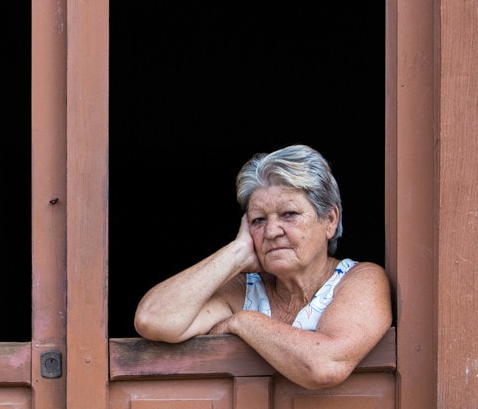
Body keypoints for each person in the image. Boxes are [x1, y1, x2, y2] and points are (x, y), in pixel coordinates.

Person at [133, 144, 392, 390]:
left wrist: (243, 322)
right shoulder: (244, 289)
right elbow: (152, 320)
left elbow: (323, 365)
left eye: (289, 214)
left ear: (329, 220)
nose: (271, 231)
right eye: (258, 220)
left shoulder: (359, 279)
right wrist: (237, 253)